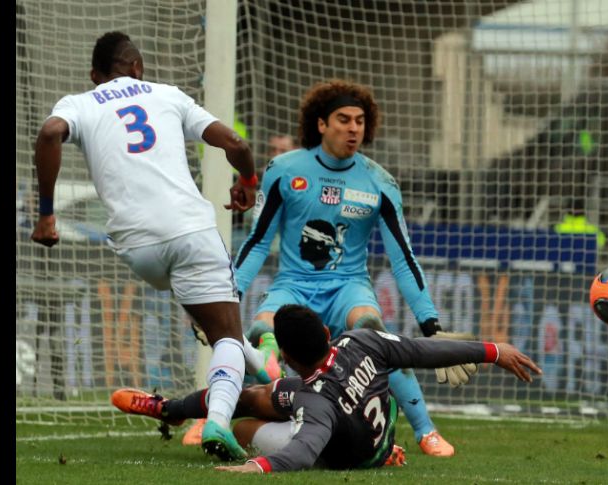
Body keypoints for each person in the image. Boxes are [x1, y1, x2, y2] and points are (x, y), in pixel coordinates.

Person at [30, 31, 274, 461]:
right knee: (227, 338)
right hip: (189, 232)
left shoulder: (80, 103)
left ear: (95, 75)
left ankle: (266, 366)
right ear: (138, 66)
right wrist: (249, 184)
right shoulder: (168, 95)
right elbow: (235, 144)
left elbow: (50, 133)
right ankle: (216, 421)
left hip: (137, 248)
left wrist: (47, 214)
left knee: (222, 331)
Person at [233, 79, 476, 456]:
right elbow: (257, 242)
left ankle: (425, 431)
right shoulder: (283, 170)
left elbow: (404, 258)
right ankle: (211, 417)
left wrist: (431, 325)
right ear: (321, 124)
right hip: (293, 284)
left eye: (360, 121)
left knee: (372, 330)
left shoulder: (379, 181)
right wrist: (227, 300)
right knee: (260, 332)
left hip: (349, 285)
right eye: (343, 119)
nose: (353, 128)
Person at [112, 304, 542, 472]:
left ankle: (197, 417)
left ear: (290, 356)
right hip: (371, 420)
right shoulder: (362, 341)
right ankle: (171, 408)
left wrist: (257, 467)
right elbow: (422, 352)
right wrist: (491, 350)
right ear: (324, 329)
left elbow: (303, 450)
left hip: (360, 451)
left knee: (244, 424)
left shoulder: (313, 401)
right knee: (257, 396)